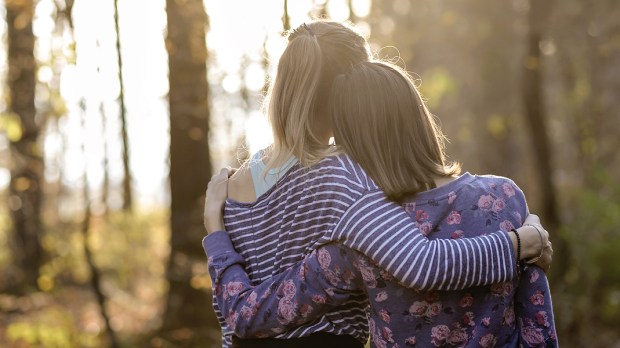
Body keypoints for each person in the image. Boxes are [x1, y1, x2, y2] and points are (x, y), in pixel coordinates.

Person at [203, 21, 552, 348]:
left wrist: (213, 228)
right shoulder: (346, 178)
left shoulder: (234, 185)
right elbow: (422, 263)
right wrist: (520, 242)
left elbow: (234, 314)